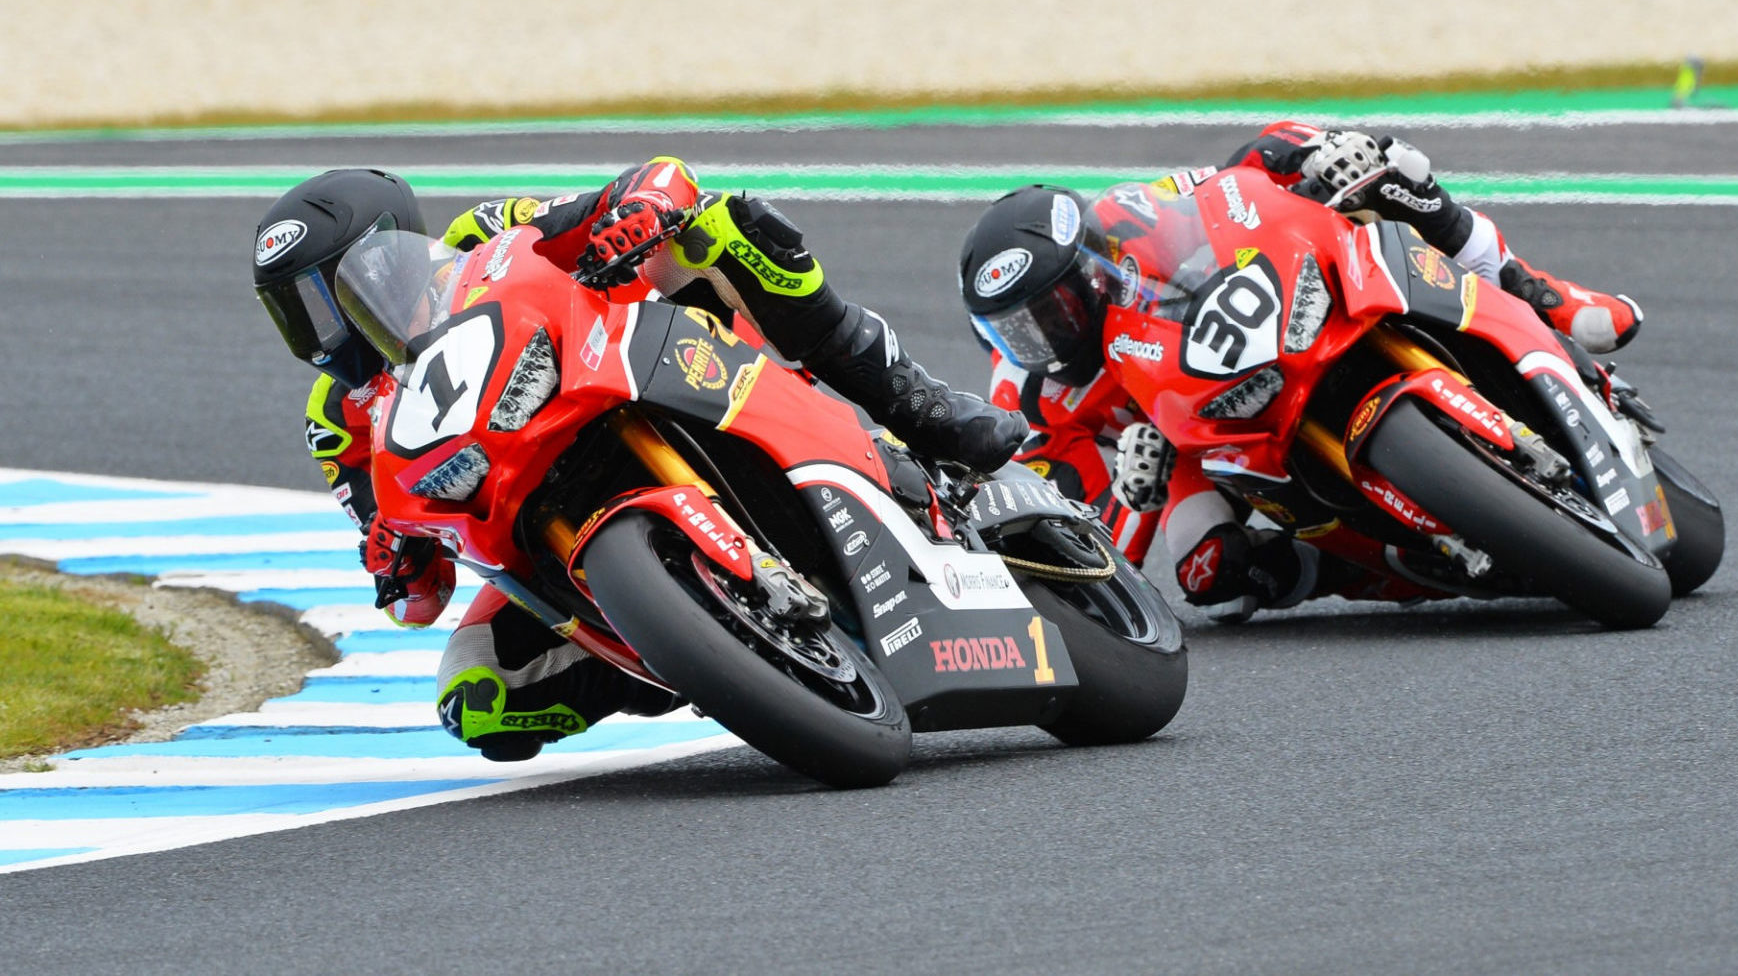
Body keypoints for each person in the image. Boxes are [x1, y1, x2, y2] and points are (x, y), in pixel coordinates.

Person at [253, 159, 1026, 760]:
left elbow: (648, 185)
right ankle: (697, 647)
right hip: (541, 519)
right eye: (297, 311)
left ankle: (913, 405)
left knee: (717, 229)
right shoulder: (340, 425)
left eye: (327, 296)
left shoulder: (476, 240)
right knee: (476, 698)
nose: (322, 331)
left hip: (648, 370)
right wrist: (393, 559)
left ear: (387, 250)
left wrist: (636, 210)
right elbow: (416, 596)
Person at [956, 122, 1642, 620]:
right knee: (1207, 574)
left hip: (1268, 319)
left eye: (1055, 308)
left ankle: (1540, 293)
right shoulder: (1032, 398)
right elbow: (1082, 544)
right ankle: (1362, 571)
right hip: (1196, 436)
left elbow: (1239, 174)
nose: (1046, 334)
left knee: (1394, 174)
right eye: (1018, 328)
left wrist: (1320, 150)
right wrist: (1135, 496)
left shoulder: (1129, 219)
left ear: (1089, 268)